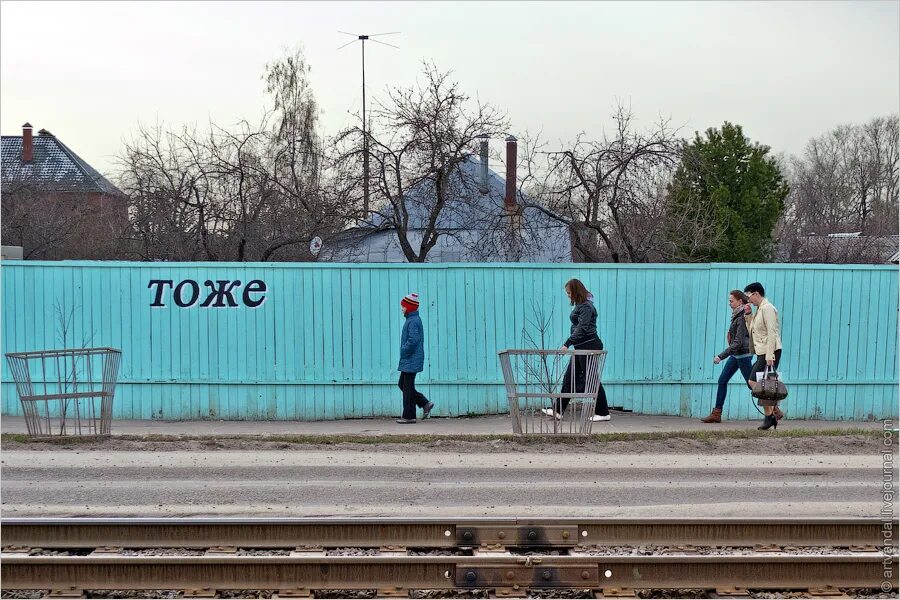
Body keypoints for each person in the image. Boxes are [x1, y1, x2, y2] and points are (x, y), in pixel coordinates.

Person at [541, 278, 611, 422]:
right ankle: (558, 410)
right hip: (582, 346)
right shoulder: (582, 305)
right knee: (570, 377)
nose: (567, 295)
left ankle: (603, 412)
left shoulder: (586, 307)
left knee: (591, 379)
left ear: (575, 291)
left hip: (589, 346)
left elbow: (582, 328)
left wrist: (568, 343)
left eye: (569, 292)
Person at [701, 290, 754, 423]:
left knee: (752, 384)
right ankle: (717, 414)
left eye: (731, 301)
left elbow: (738, 342)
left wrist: (720, 356)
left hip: (743, 355)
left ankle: (774, 410)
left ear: (740, 302)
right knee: (722, 380)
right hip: (737, 354)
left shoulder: (742, 317)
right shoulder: (737, 315)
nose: (729, 303)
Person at [743, 282, 784, 430]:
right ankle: (771, 416)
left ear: (756, 294)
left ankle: (771, 414)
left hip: (770, 351)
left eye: (749, 296)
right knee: (759, 384)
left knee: (754, 382)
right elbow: (752, 331)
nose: (748, 300)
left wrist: (769, 354)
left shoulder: (768, 309)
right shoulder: (759, 309)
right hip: (762, 352)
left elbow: (772, 332)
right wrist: (748, 315)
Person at [396, 293, 434, 424]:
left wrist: (403, 350)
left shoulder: (412, 321)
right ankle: (424, 403)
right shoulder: (411, 320)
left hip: (411, 359)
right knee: (403, 384)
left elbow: (413, 340)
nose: (402, 309)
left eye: (403, 306)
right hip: (410, 359)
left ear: (410, 307)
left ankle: (409, 416)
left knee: (406, 387)